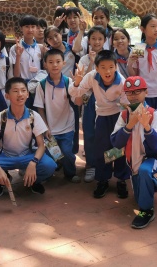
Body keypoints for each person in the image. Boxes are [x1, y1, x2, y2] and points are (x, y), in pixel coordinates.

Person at [0, 77, 57, 198]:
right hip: (4, 156)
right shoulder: (0, 117)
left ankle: (32, 181)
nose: (20, 94)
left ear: (27, 94)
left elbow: (41, 145)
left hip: (27, 155)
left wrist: (33, 163)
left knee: (50, 165)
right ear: (7, 96)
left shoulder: (33, 116)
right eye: (15, 91)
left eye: (23, 90)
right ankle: (1, 183)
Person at [71, 50, 129, 198]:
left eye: (111, 67)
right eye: (103, 67)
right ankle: (103, 179)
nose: (107, 71)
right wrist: (77, 81)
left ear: (116, 67)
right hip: (102, 115)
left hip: (118, 116)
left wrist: (125, 122)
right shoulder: (91, 76)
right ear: (96, 68)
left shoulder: (121, 81)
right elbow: (76, 93)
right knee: (102, 149)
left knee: (119, 148)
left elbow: (126, 104)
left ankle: (121, 180)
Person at [110, 76, 157, 229]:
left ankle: (146, 211)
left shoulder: (154, 114)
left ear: (146, 92)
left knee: (145, 172)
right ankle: (152, 184)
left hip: (152, 159)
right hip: (133, 161)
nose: (133, 96)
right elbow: (115, 143)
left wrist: (147, 127)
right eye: (129, 92)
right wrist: (129, 125)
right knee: (139, 196)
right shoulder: (124, 115)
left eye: (137, 91)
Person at [34, 50, 82, 182]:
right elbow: (40, 108)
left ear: (64, 63)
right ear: (45, 64)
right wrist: (45, 127)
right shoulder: (41, 85)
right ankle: (53, 169)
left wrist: (77, 85)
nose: (54, 65)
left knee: (67, 152)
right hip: (50, 128)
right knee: (52, 153)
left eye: (58, 61)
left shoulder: (69, 82)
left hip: (67, 126)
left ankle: (70, 173)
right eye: (50, 62)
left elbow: (78, 102)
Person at [71, 25, 108, 183]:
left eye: (100, 39)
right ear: (89, 40)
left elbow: (110, 78)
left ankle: (106, 165)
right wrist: (92, 63)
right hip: (89, 99)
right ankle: (91, 165)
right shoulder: (84, 59)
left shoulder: (109, 57)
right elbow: (83, 82)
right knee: (89, 131)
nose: (97, 42)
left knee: (107, 133)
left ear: (105, 40)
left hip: (106, 99)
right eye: (93, 38)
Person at [127, 14, 157, 130]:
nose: (156, 30)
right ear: (143, 29)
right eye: (153, 26)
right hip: (143, 94)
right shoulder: (138, 48)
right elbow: (134, 75)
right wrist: (130, 63)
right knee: (144, 125)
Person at [9, 15, 43, 108]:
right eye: (27, 26)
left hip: (38, 85)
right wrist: (18, 56)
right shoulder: (15, 48)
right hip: (23, 86)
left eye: (33, 26)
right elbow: (16, 75)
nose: (30, 29)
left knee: (37, 111)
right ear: (21, 28)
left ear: (36, 28)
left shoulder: (40, 48)